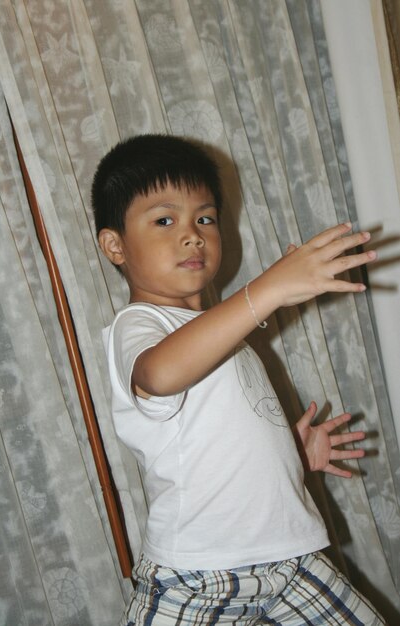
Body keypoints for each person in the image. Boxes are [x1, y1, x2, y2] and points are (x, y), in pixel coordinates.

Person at [92, 134, 385, 625]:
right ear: (114, 245)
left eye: (204, 218)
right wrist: (265, 290)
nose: (192, 234)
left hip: (291, 559)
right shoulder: (140, 325)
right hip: (198, 574)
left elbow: (216, 434)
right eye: (165, 220)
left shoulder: (229, 334)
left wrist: (290, 451)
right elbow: (160, 373)